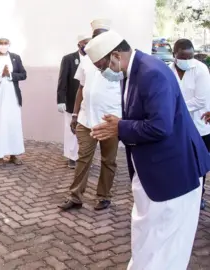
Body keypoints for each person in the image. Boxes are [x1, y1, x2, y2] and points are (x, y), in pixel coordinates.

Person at [86, 30, 210, 270]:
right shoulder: (132, 71)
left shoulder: (151, 73)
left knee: (167, 245)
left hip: (174, 172)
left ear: (115, 55)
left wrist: (120, 127)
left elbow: (160, 126)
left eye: (102, 66)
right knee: (149, 237)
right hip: (155, 169)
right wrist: (120, 124)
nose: (102, 73)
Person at [59, 19, 120, 211]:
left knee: (108, 161)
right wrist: (75, 115)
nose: (98, 39)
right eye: (95, 35)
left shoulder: (117, 60)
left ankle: (103, 196)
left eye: (102, 35)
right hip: (86, 119)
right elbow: (81, 88)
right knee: (82, 158)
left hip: (110, 121)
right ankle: (75, 196)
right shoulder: (86, 59)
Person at [170, 38, 210, 210]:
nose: (187, 61)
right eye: (183, 57)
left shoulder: (200, 69)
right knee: (179, 161)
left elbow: (200, 101)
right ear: (174, 55)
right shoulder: (168, 70)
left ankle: (199, 196)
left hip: (200, 125)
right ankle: (181, 195)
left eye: (190, 57)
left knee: (199, 162)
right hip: (177, 126)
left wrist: (173, 107)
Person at [0, 36, 27, 166]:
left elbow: (23, 74)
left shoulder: (16, 57)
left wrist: (11, 75)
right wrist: (0, 75)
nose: (3, 45)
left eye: (5, 43)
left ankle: (14, 154)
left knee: (13, 125)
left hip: (13, 98)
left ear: (9, 44)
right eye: (0, 43)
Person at [57, 34, 91, 168]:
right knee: (71, 129)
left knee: (85, 130)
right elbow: (62, 80)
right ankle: (71, 157)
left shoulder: (93, 59)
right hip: (71, 100)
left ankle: (83, 156)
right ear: (79, 45)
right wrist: (60, 100)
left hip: (87, 101)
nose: (87, 46)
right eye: (85, 43)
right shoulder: (69, 59)